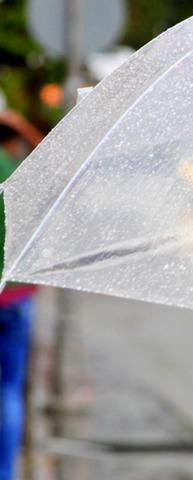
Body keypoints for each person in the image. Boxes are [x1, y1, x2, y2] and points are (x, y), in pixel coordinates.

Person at [0, 109, 41, 480]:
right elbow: (58, 168)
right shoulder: (16, 167)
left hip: (13, 298)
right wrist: (21, 123)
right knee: (8, 390)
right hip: (13, 299)